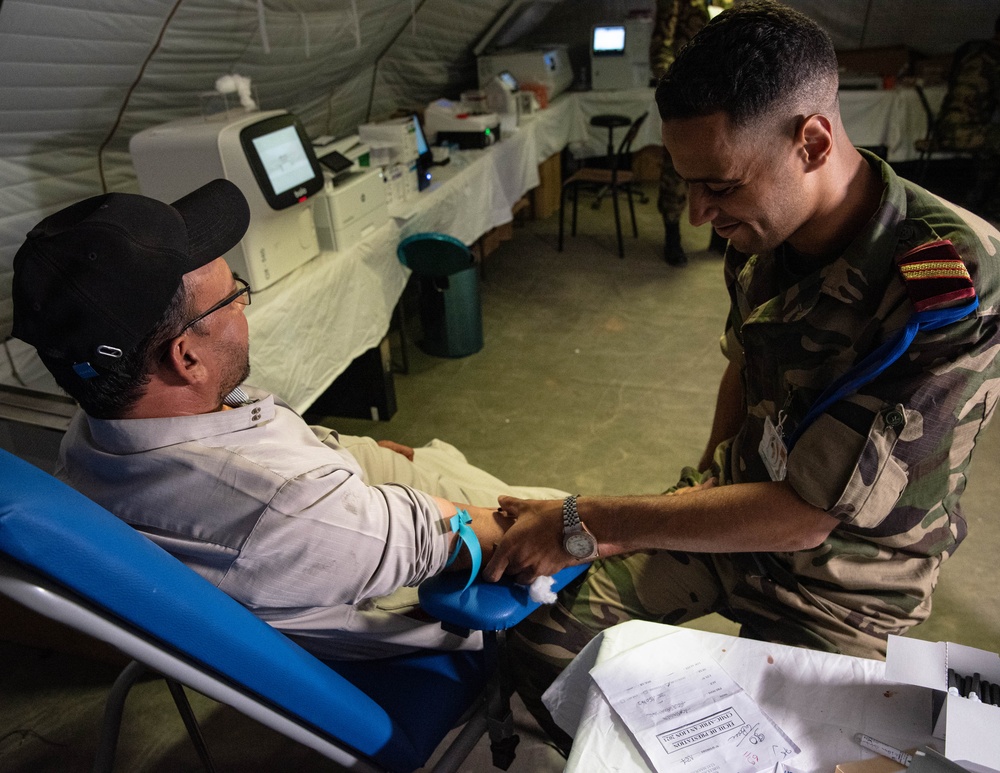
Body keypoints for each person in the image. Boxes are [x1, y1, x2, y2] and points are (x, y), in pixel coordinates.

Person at [483, 0, 1000, 747]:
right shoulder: (760, 228)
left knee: (782, 751)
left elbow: (808, 513)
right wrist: (702, 486)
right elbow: (745, 362)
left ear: (812, 142)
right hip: (742, 509)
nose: (698, 214)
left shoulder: (949, 280)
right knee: (543, 638)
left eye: (719, 185)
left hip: (848, 578)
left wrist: (588, 517)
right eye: (688, 182)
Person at [10, 179, 566, 661]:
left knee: (445, 462)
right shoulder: (286, 503)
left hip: (346, 510)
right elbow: (506, 535)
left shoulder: (95, 431)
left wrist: (350, 450)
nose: (243, 308)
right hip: (422, 596)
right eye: (233, 298)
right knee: (563, 513)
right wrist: (610, 523)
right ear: (186, 358)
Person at [650, 0, 710, 266]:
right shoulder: (674, 4)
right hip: (685, 102)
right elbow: (660, 47)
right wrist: (673, 88)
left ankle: (720, 238)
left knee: (720, 169)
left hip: (720, 99)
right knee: (677, 171)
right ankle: (672, 237)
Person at [931, 15, 1000, 216]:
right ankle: (991, 207)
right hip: (964, 132)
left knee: (992, 145)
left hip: (944, 127)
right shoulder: (993, 58)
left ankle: (979, 199)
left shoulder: (971, 50)